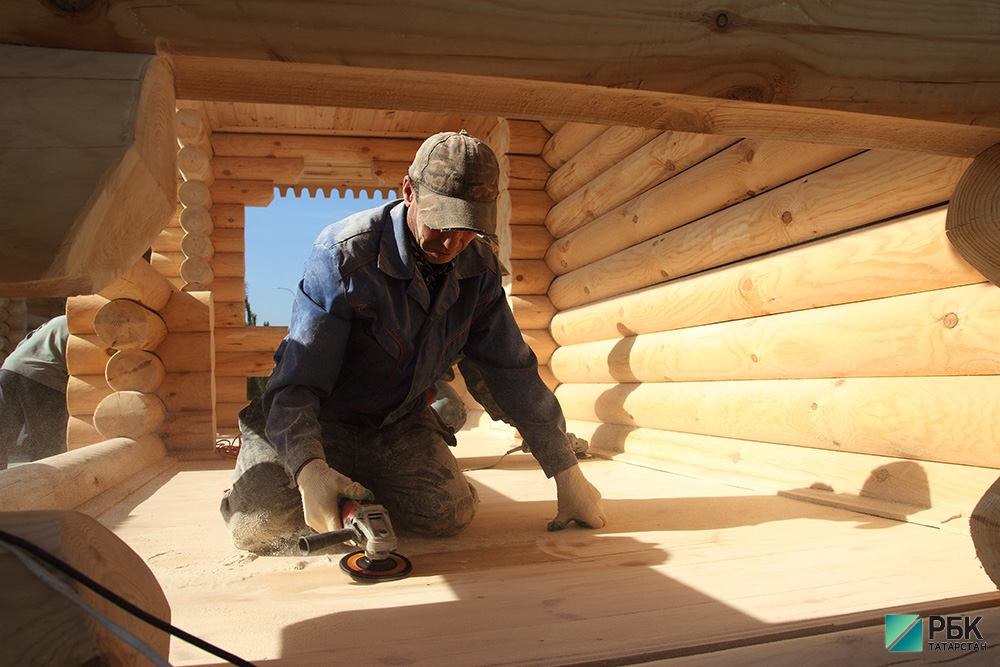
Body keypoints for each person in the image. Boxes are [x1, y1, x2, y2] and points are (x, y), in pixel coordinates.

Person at [221, 131, 606, 554]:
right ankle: (283, 472)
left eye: (467, 227)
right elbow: (298, 380)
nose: (452, 241)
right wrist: (309, 468)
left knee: (448, 512)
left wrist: (565, 470)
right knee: (259, 523)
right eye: (442, 220)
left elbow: (510, 374)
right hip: (319, 419)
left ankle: (354, 483)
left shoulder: (480, 273)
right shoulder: (343, 256)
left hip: (394, 424)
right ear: (409, 191)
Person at [0, 315, 69, 469]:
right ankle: (47, 486)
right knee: (47, 445)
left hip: (10, 370)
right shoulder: (85, 329)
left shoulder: (58, 320)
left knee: (2, 431)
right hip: (45, 378)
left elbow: (26, 340)